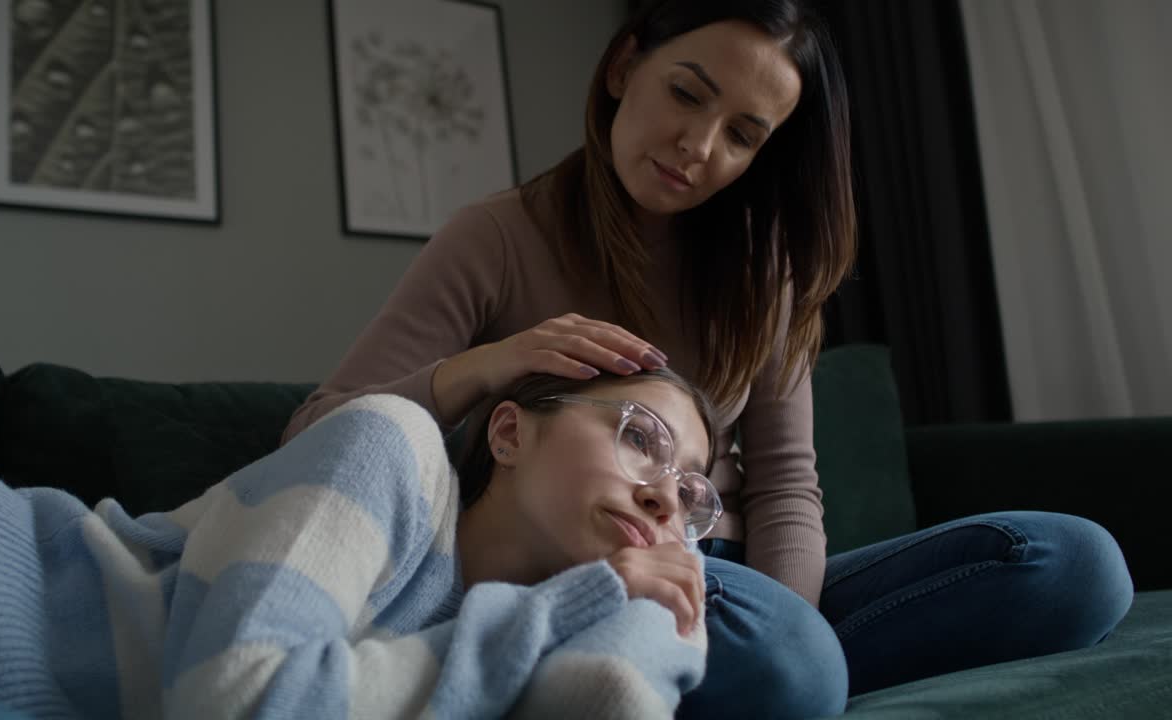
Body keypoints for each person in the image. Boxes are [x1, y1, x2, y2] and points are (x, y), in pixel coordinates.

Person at [283, 0, 1135, 716]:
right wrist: (490, 364)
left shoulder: (767, 276)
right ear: (623, 67)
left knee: (1077, 568)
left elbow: (786, 486)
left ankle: (775, 674)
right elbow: (312, 439)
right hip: (591, 569)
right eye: (685, 94)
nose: (698, 145)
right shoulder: (497, 237)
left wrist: (783, 617)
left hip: (731, 579)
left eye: (743, 134)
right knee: (791, 664)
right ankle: (766, 673)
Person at [0, 369, 718, 719]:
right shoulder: (392, 447)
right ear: (508, 433)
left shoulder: (492, 664)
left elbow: (614, 690)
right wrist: (575, 602)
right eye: (640, 437)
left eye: (691, 494)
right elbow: (237, 702)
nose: (660, 494)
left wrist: (640, 619)